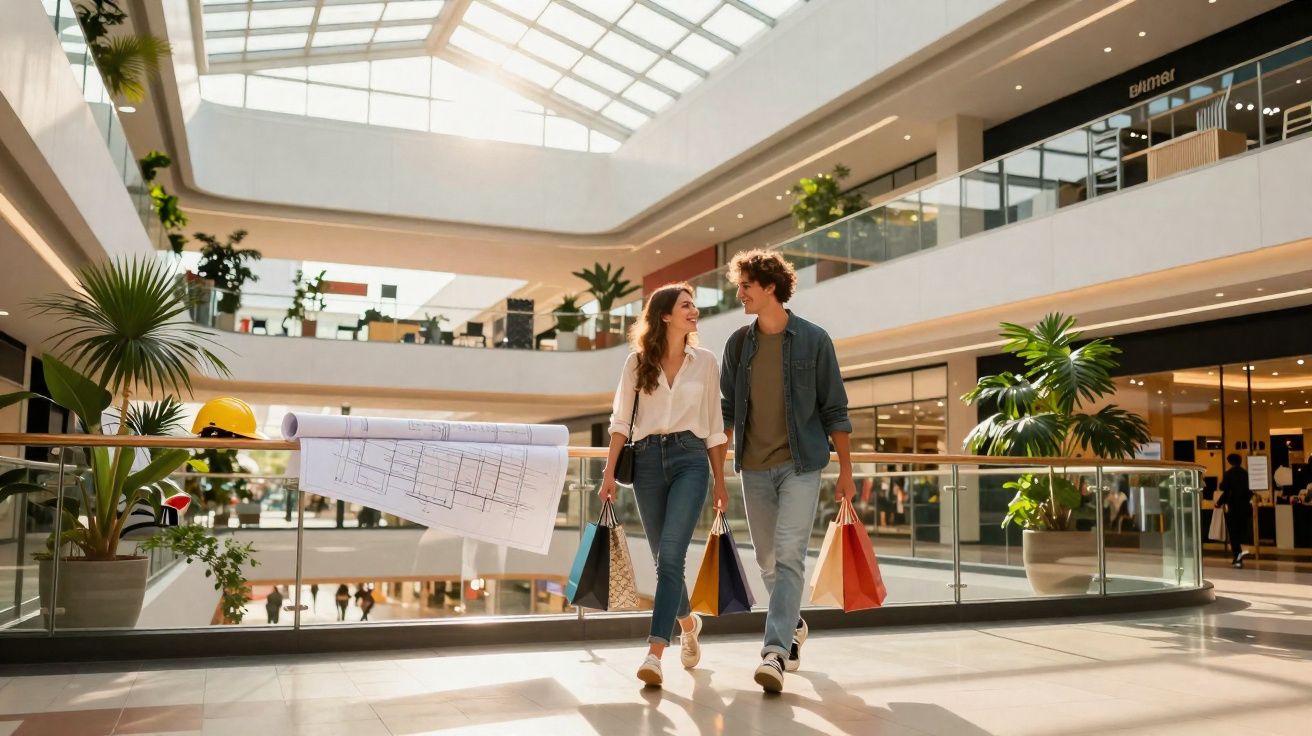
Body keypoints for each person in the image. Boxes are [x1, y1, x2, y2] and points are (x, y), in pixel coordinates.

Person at [716, 249, 854, 693]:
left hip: (801, 465)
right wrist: (717, 472)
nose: (740, 295)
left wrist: (848, 471)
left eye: (745, 287)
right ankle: (793, 623)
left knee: (790, 553)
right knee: (769, 561)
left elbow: (835, 409)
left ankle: (774, 652)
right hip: (753, 469)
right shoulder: (738, 345)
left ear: (770, 286)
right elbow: (725, 413)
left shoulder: (814, 340)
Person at [598, 283, 728, 688]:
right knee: (664, 561)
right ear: (666, 315)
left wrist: (721, 483)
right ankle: (688, 623)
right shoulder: (637, 363)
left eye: (694, 305)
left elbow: (715, 428)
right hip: (648, 463)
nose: (695, 311)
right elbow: (621, 422)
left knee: (671, 556)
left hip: (691, 460)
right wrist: (607, 474)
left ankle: (654, 652)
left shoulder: (705, 362)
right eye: (686, 305)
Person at [1218, 453, 1252, 568]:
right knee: (1240, 531)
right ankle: (1239, 554)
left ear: (1230, 462)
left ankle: (1237, 556)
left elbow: (1223, 489)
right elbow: (1250, 491)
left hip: (1233, 507)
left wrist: (1218, 502)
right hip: (1244, 507)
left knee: (1233, 534)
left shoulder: (1228, 474)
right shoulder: (1246, 474)